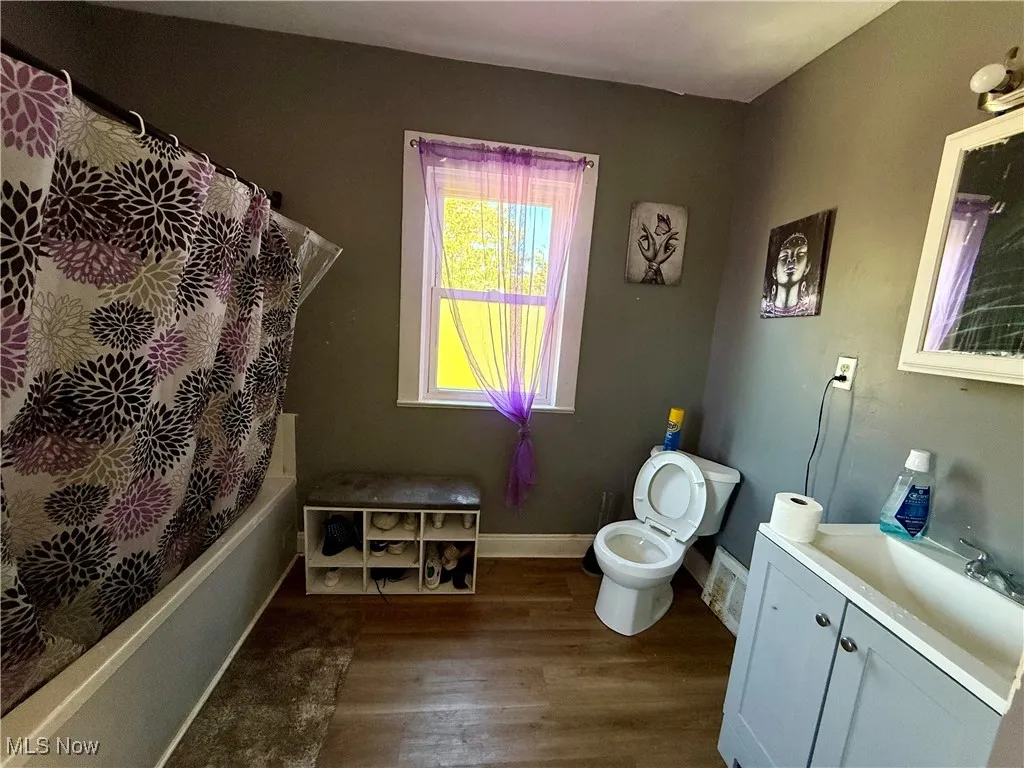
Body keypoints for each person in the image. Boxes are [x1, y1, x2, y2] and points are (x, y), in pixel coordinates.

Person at [763, 232, 814, 316]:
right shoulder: (765, 311)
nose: (792, 259)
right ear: (774, 271)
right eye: (784, 256)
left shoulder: (808, 310)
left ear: (807, 267)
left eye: (800, 254)